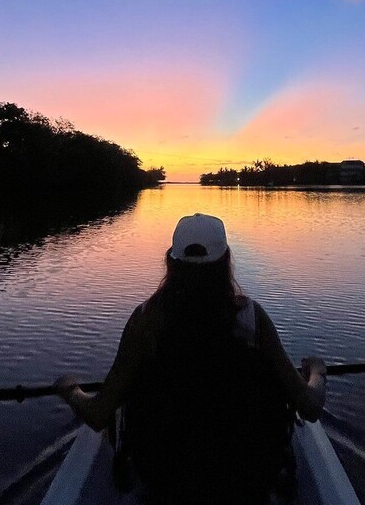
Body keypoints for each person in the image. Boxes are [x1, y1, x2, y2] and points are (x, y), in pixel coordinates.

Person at [55, 213, 327, 504]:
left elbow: (98, 414)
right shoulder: (252, 318)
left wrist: (71, 390)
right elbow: (309, 406)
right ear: (226, 261)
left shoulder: (146, 321)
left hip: (165, 481)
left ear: (171, 262)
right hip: (244, 481)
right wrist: (317, 372)